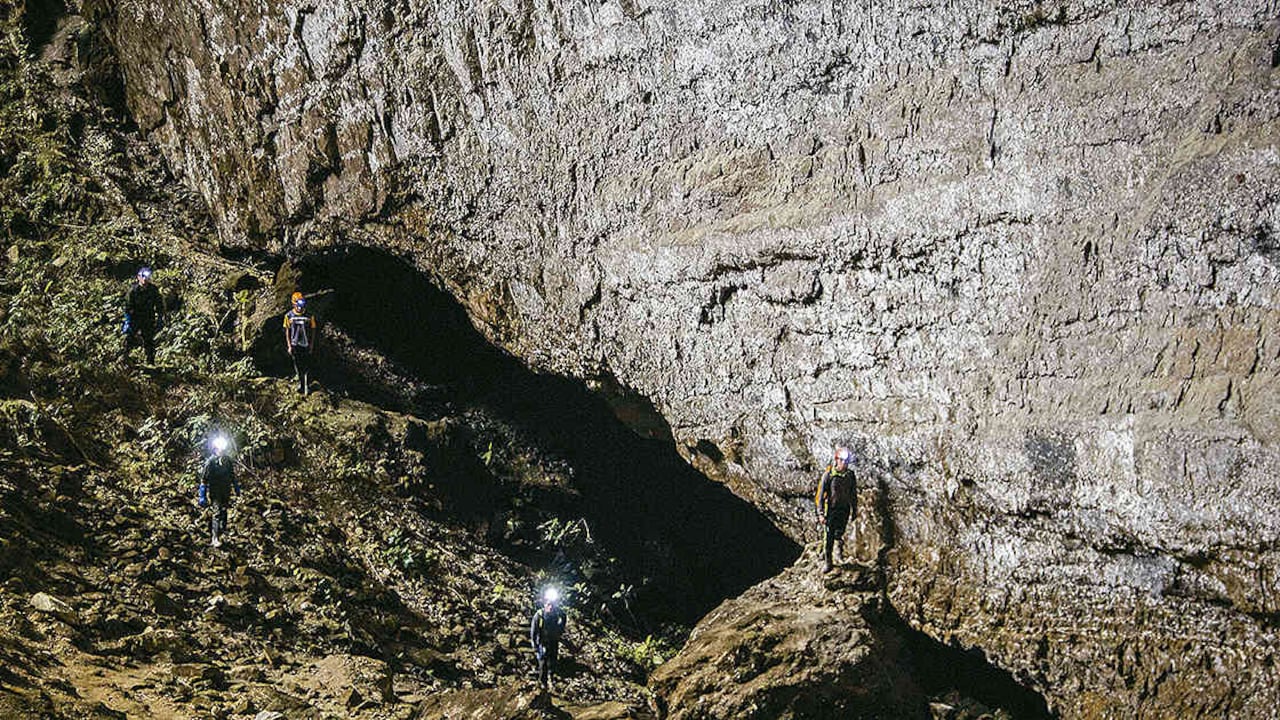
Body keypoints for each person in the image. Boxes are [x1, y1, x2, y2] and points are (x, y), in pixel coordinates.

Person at [815, 446, 857, 573]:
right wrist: (821, 514)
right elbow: (821, 496)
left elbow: (853, 493)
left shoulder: (850, 475)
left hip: (844, 509)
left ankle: (838, 552)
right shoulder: (829, 475)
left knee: (839, 533)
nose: (844, 463)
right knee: (829, 536)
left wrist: (855, 510)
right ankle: (828, 561)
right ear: (837, 460)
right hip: (831, 510)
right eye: (842, 460)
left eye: (847, 461)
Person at [198, 434, 240, 547]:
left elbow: (232, 476)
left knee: (224, 511)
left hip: (226, 491)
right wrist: (202, 496)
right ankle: (214, 538)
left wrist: (236, 489)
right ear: (215, 448)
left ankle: (222, 532)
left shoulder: (227, 461)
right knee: (216, 513)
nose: (221, 449)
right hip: (215, 492)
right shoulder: (210, 462)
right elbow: (203, 480)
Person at [122, 266, 164, 365]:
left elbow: (159, 304)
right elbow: (127, 306)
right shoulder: (133, 291)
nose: (145, 279)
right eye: (143, 276)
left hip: (148, 318)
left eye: (147, 277)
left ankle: (150, 362)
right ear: (138, 277)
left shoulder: (153, 290)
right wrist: (128, 320)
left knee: (149, 340)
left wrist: (160, 317)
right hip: (135, 318)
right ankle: (124, 359)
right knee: (130, 339)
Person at [530, 587, 568, 693]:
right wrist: (535, 646)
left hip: (553, 641)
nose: (550, 607)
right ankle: (542, 683)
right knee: (543, 663)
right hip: (542, 642)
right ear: (544, 605)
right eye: (548, 605)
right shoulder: (539, 616)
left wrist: (560, 629)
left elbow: (564, 617)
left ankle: (551, 679)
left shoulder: (557, 613)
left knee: (553, 661)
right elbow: (533, 632)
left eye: (552, 605)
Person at [283, 292, 318, 395]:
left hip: (306, 345)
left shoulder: (309, 315)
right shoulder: (288, 316)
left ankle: (307, 386)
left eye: (301, 305)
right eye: (297, 305)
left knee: (306, 365)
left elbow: (313, 330)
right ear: (293, 304)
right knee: (298, 365)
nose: (299, 307)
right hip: (295, 345)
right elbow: (287, 331)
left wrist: (311, 345)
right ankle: (301, 384)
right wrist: (289, 346)